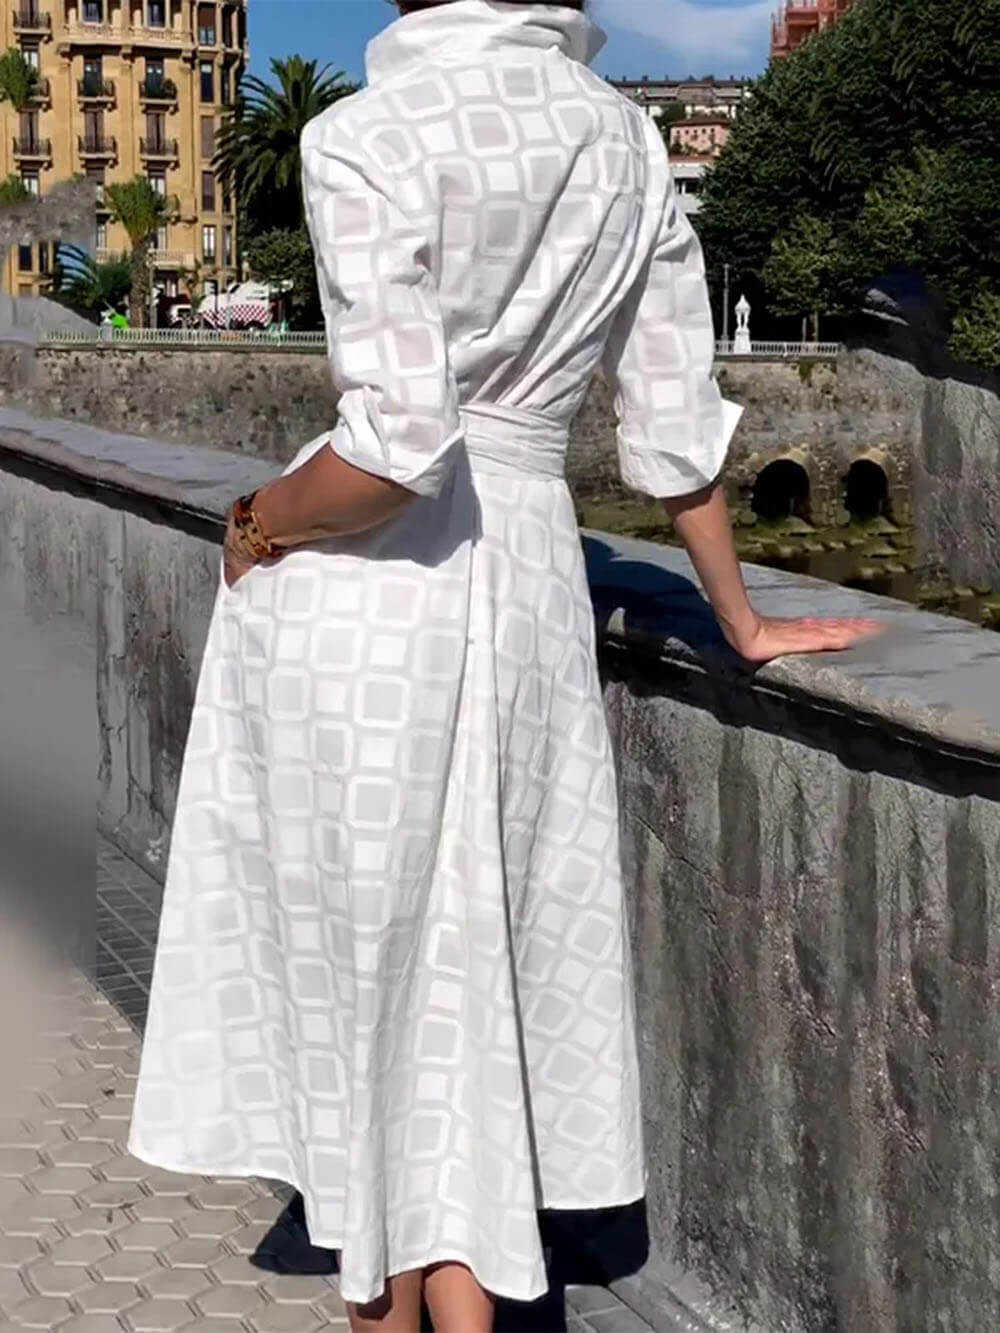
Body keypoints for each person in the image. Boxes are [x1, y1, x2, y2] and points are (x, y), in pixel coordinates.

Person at [128, 3, 881, 1331]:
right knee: (473, 975)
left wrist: (255, 522)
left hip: (367, 601)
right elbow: (673, 423)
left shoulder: (365, 134)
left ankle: (387, 1283)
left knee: (376, 981)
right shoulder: (627, 142)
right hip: (528, 576)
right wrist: (741, 617)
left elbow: (398, 447)